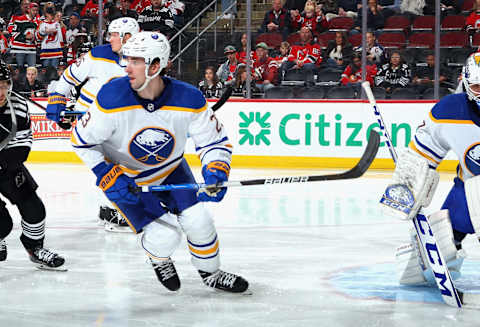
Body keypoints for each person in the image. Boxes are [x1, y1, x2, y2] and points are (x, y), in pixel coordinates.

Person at [71, 31, 249, 293]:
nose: (126, 66)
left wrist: (216, 168)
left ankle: (211, 273)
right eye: (126, 59)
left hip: (172, 170)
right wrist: (105, 173)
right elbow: (81, 140)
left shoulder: (189, 99)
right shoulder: (111, 97)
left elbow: (214, 142)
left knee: (199, 221)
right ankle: (159, 257)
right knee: (165, 236)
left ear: (156, 65)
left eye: (135, 61)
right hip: (127, 179)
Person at [380, 52, 480, 287]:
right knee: (433, 251)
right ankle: (443, 261)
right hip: (469, 188)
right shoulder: (449, 111)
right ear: (465, 83)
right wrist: (409, 187)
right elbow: (423, 154)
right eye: (478, 86)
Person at [46, 17, 140, 232]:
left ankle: (113, 207)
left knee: (127, 164)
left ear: (128, 37)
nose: (110, 39)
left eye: (115, 34)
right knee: (110, 166)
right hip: (89, 121)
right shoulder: (98, 55)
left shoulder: (141, 58)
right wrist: (58, 99)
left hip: (119, 123)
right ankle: (110, 210)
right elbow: (69, 77)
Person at [0, 61, 65, 269]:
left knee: (34, 208)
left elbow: (23, 144)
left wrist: (6, 165)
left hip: (7, 166)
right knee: (2, 224)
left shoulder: (18, 106)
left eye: (3, 84)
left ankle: (35, 248)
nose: (1, 91)